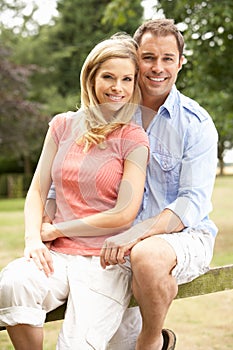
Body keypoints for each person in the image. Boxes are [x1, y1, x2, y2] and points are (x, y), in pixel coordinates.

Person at [0, 35, 149, 349]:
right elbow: (38, 190)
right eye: (108, 76)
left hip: (104, 262)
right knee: (13, 283)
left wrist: (57, 228)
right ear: (91, 77)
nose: (117, 87)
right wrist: (33, 240)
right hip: (57, 256)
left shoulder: (134, 138)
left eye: (127, 79)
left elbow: (124, 212)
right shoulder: (62, 125)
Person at [99, 19, 218, 350]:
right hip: (120, 237)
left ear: (181, 62)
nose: (157, 67)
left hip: (184, 235)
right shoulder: (113, 112)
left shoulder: (196, 124)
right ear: (135, 58)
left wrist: (134, 234)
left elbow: (190, 204)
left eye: (168, 58)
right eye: (149, 57)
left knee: (147, 257)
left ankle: (151, 342)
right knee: (105, 337)